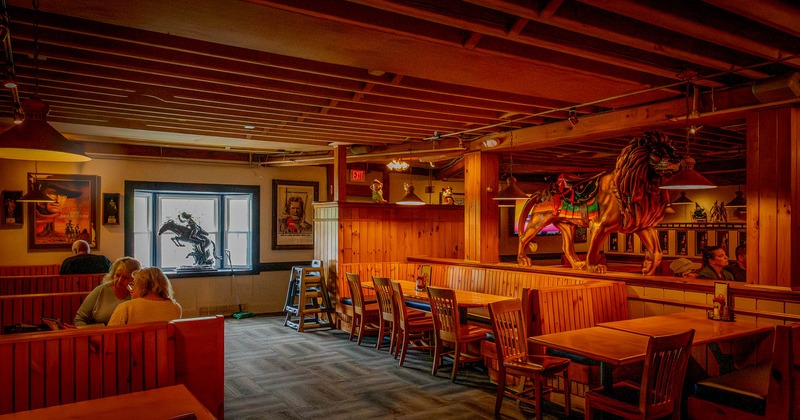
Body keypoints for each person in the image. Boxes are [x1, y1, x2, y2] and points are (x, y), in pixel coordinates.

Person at [74, 257, 141, 326]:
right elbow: (79, 319)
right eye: (117, 275)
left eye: (125, 278)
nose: (119, 281)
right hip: (99, 334)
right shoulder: (101, 290)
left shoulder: (138, 294)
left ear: (134, 279)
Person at [108, 267, 182, 325]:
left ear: (141, 285)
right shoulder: (175, 307)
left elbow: (110, 337)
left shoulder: (126, 307)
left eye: (133, 284)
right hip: (163, 344)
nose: (131, 289)